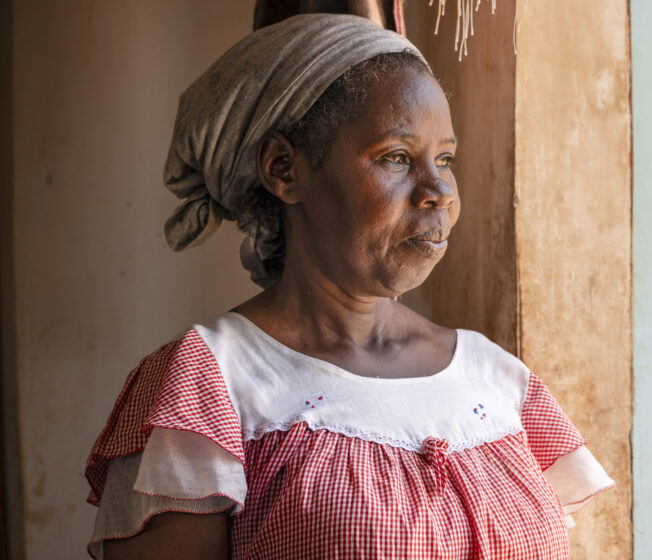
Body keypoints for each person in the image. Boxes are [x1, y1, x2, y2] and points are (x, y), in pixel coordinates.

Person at [85, 13, 613, 559]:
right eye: (396, 158)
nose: (439, 192)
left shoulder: (496, 382)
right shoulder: (208, 385)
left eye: (446, 159)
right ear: (284, 169)